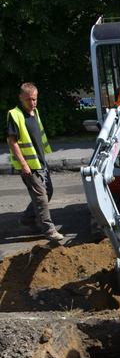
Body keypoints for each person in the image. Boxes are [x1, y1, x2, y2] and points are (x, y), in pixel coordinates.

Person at [7, 82, 63, 241]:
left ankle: (27, 218)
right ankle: (49, 230)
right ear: (20, 98)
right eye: (28, 100)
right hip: (29, 166)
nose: (32, 103)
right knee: (41, 197)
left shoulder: (35, 112)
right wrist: (24, 164)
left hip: (40, 162)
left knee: (48, 192)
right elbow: (12, 142)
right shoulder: (15, 114)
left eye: (34, 99)